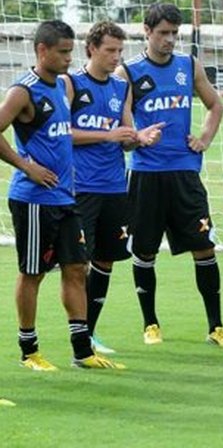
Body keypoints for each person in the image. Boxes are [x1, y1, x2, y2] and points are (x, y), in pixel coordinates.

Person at [0, 20, 124, 370]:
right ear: (42, 51)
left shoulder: (60, 88)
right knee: (33, 272)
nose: (70, 59)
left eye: (71, 52)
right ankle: (29, 350)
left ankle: (82, 350)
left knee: (75, 268)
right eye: (63, 52)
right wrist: (26, 167)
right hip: (34, 199)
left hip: (65, 198)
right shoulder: (23, 91)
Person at [117, 3, 223, 348]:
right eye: (163, 33)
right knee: (144, 251)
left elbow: (216, 105)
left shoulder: (189, 66)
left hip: (184, 173)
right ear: (147, 31)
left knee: (204, 246)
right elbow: (123, 125)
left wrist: (204, 139)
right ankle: (150, 324)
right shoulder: (128, 72)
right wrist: (139, 137)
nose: (170, 40)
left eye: (174, 33)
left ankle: (216, 326)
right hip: (146, 174)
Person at [64, 21, 162, 354]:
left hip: (115, 188)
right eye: (110, 51)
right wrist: (108, 135)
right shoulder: (71, 84)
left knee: (106, 260)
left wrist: (140, 138)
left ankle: (89, 334)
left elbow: (126, 138)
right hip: (81, 189)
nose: (116, 57)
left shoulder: (121, 88)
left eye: (120, 51)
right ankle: (77, 335)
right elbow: (61, 133)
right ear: (91, 48)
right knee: (78, 264)